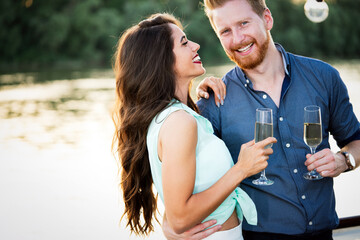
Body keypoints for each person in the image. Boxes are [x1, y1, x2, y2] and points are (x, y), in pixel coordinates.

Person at [162, 0, 360, 239]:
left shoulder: (324, 77)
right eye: (225, 31)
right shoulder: (213, 101)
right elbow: (181, 176)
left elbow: (356, 142)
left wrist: (344, 160)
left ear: (267, 18)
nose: (237, 39)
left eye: (243, 23)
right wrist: (169, 226)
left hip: (323, 233)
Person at [112, 13, 277, 240]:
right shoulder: (179, 122)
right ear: (162, 60)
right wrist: (241, 169)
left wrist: (197, 93)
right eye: (184, 43)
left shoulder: (173, 116)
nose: (195, 45)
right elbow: (180, 219)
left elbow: (177, 197)